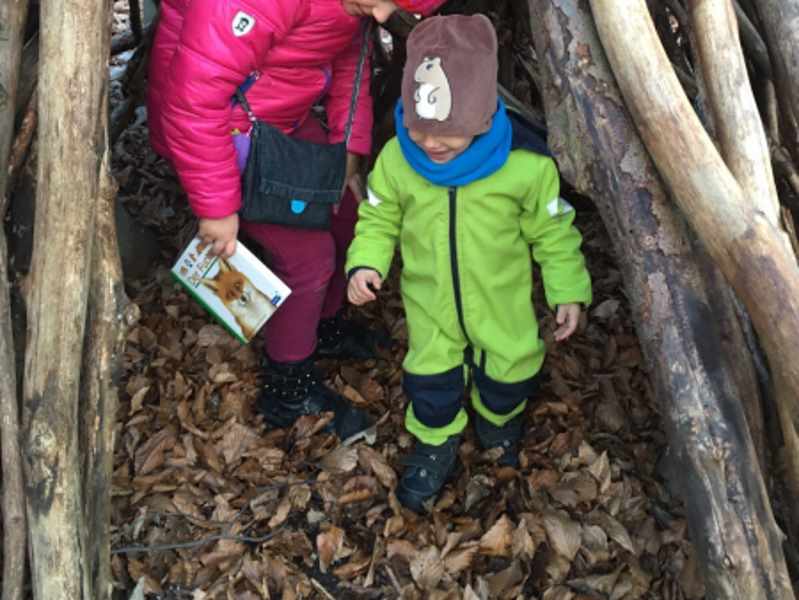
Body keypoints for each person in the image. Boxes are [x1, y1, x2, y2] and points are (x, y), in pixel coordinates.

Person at [146, 0, 442, 441]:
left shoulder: (355, 6)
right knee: (308, 256)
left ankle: (324, 323)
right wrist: (218, 208)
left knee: (348, 214)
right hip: (221, 128)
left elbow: (350, 65)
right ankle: (288, 388)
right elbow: (194, 100)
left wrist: (348, 150)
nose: (383, 16)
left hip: (276, 116)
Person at [346, 14, 593, 511]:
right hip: (430, 300)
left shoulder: (525, 167)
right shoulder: (397, 161)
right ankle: (434, 440)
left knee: (511, 369)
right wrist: (366, 262)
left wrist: (567, 289)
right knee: (430, 377)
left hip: (500, 301)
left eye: (449, 135)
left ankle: (497, 420)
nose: (431, 144)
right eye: (419, 130)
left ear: (481, 118)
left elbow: (553, 232)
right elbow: (378, 216)